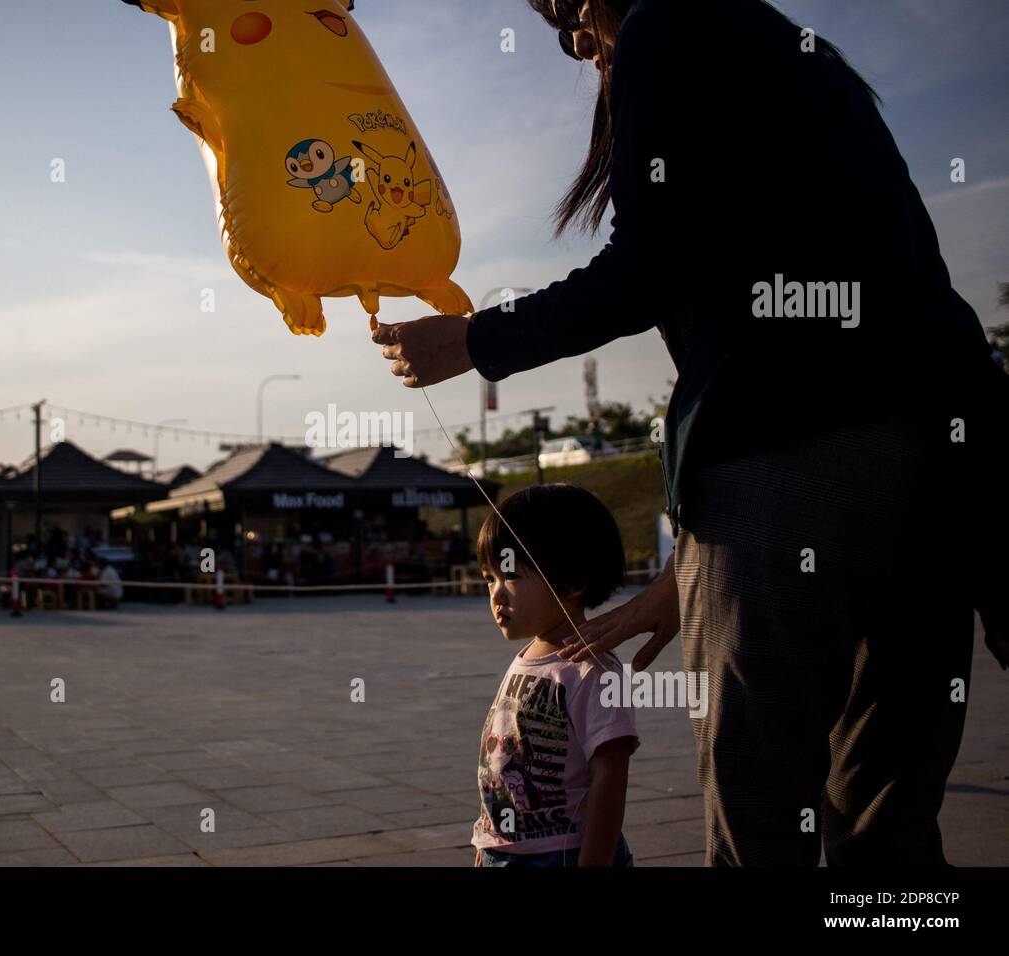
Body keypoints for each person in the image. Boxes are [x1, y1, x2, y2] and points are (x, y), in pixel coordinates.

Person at [376, 0, 1008, 865]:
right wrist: (681, 584)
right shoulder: (786, 46)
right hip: (937, 463)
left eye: (565, 15)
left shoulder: (666, 26)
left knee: (760, 807)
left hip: (782, 459)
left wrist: (475, 340)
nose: (576, 45)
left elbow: (647, 265)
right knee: (887, 819)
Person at [471, 485, 638, 867]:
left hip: (561, 854)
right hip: (505, 851)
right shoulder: (527, 658)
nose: (496, 594)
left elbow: (610, 776)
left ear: (572, 581)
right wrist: (485, 843)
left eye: (509, 576)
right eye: (488, 578)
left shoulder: (591, 670)